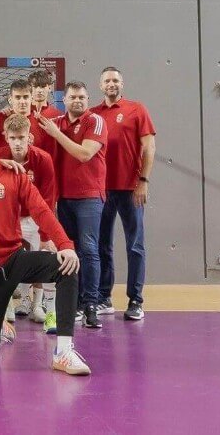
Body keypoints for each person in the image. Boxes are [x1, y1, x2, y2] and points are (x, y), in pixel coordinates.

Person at [0, 116, 90, 375]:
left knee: (67, 267)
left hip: (13, 260)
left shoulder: (14, 175)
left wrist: (64, 244)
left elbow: (41, 210)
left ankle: (64, 352)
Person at [37, 81, 108, 329]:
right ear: (63, 100)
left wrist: (56, 135)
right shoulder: (56, 122)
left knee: (89, 250)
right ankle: (74, 303)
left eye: (82, 97)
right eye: (73, 97)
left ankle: (91, 304)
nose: (78, 101)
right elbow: (27, 126)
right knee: (69, 251)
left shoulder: (95, 121)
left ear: (88, 99)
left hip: (89, 197)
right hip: (64, 198)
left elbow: (85, 154)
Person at [90, 66, 156, 320]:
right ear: (101, 85)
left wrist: (143, 180)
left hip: (131, 190)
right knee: (102, 245)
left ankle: (135, 300)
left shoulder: (136, 109)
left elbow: (149, 147)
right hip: (101, 190)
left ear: (122, 84)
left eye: (115, 80)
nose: (111, 84)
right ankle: (103, 298)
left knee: (135, 246)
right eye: (107, 80)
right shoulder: (93, 114)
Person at [0, 114, 59, 333]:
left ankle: (44, 309)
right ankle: (8, 305)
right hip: (7, 219)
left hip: (34, 218)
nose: (17, 142)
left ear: (29, 137)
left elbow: (48, 200)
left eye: (21, 137)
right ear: (5, 137)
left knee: (47, 258)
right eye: (13, 138)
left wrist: (46, 236)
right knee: (3, 263)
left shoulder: (43, 159)